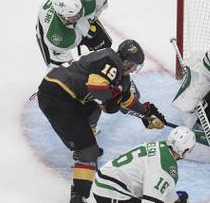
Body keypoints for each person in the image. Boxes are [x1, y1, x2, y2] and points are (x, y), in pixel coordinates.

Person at [37, 39, 167, 203]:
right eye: (134, 65)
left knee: (93, 110)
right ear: (126, 61)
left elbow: (125, 101)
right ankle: (78, 194)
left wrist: (147, 115)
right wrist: (113, 97)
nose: (134, 69)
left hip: (66, 95)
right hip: (57, 95)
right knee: (89, 152)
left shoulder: (121, 75)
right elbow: (97, 89)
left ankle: (84, 143)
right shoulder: (110, 60)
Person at [91, 126, 196, 203]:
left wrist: (175, 201)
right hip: (110, 192)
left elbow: (162, 186)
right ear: (184, 151)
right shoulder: (165, 168)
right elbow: (151, 199)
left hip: (107, 182)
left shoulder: (159, 146)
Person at [36, 0, 112, 68]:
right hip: (55, 34)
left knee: (105, 46)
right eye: (74, 17)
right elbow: (59, 65)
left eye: (79, 13)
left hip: (73, 25)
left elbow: (103, 1)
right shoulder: (55, 35)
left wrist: (91, 21)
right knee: (59, 69)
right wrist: (84, 33)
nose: (78, 17)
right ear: (62, 17)